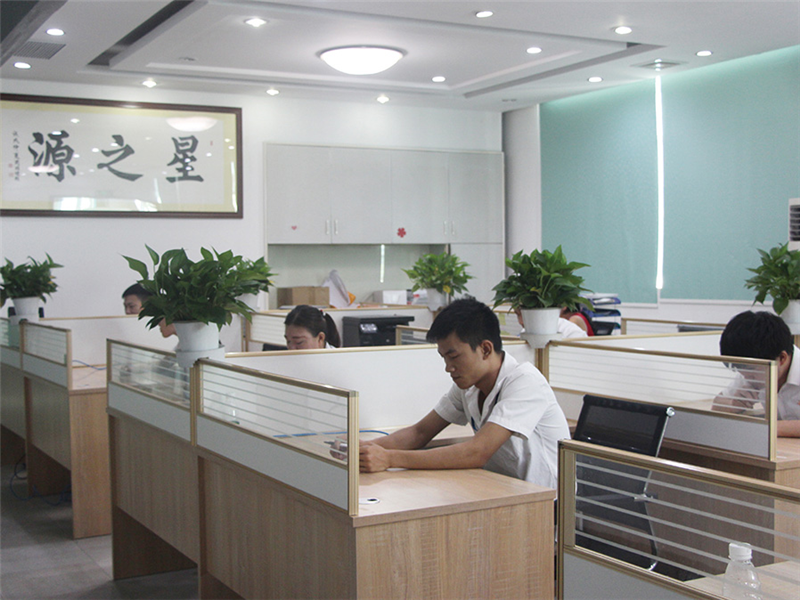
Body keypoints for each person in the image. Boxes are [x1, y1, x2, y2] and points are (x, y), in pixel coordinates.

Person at [358, 298, 570, 488]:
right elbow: (419, 433)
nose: (448, 367)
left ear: (485, 349)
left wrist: (389, 458)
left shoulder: (525, 382)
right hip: (501, 489)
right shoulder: (468, 386)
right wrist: (359, 450)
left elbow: (477, 452)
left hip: (547, 503)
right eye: (444, 358)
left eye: (454, 357)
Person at [715, 311, 800, 437]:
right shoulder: (751, 371)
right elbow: (717, 405)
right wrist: (733, 405)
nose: (746, 376)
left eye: (751, 370)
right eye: (739, 368)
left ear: (782, 358)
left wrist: (767, 428)